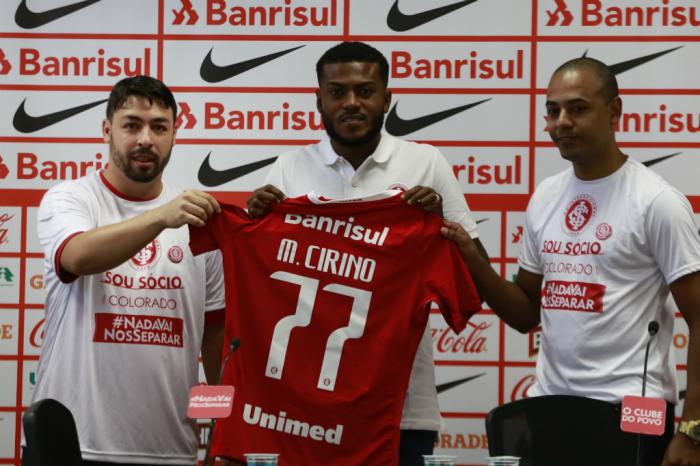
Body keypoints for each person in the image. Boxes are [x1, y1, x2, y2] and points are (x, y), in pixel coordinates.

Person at [441, 57, 700, 465]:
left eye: (577, 108)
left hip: (636, 408)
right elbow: (525, 313)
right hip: (551, 404)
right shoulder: (546, 196)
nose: (562, 122)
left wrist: (692, 431)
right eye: (553, 110)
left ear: (614, 111)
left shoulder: (657, 201)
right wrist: (472, 260)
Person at [244, 41, 488, 466]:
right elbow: (261, 288)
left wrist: (443, 229)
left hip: (401, 409)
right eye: (337, 92)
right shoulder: (288, 168)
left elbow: (476, 283)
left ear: (387, 99)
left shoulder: (426, 163)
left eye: (365, 91)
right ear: (318, 100)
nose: (351, 102)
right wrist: (255, 225)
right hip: (304, 408)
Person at [31, 76, 225, 466]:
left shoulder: (198, 220)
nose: (145, 139)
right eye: (131, 125)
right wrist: (160, 216)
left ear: (175, 134)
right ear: (107, 130)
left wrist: (224, 431)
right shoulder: (70, 198)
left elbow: (216, 338)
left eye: (159, 127)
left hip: (171, 450)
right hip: (72, 447)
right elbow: (77, 257)